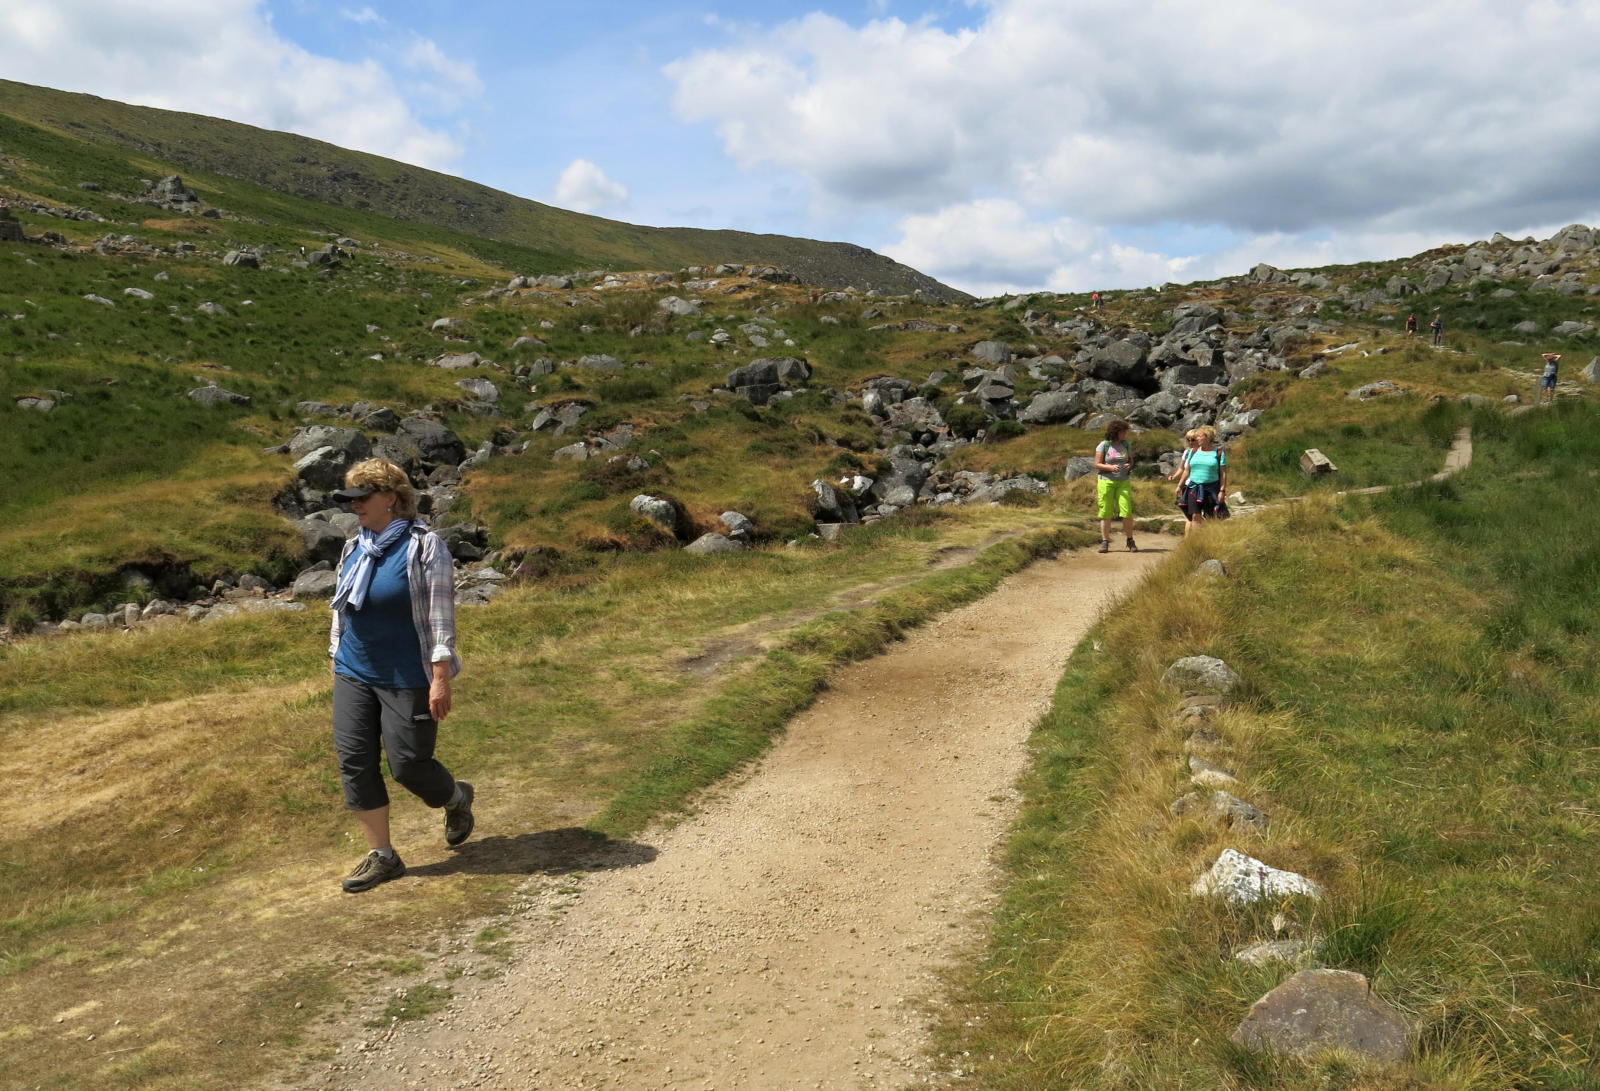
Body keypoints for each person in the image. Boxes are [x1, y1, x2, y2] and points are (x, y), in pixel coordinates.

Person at [327, 458, 474, 894]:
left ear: (391, 497)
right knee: (355, 761)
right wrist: (336, 653)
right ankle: (384, 856)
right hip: (354, 670)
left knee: (409, 764)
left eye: (362, 498)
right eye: (349, 499)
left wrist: (440, 676)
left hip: (406, 674)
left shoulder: (425, 547)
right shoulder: (354, 546)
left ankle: (455, 797)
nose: (355, 507)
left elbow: (440, 617)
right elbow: (343, 607)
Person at [1092, 419, 1137, 553]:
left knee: (1126, 510)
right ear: (1116, 432)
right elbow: (1097, 464)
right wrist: (1110, 467)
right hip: (1106, 481)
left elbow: (1131, 460)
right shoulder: (1104, 445)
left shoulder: (1126, 444)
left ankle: (1130, 541)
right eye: (1123, 432)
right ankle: (1105, 542)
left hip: (1123, 481)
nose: (1125, 434)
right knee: (1105, 511)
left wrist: (1130, 464)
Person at [1178, 425, 1228, 524]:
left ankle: (1208, 538)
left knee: (1211, 518)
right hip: (1193, 488)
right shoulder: (1193, 452)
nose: (1196, 438)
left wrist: (1222, 491)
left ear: (1208, 437)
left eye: (1199, 436)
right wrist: (1179, 486)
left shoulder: (1219, 453)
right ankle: (1195, 539)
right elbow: (1187, 470)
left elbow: (1223, 474)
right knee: (1195, 516)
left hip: (1211, 489)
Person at [1168, 430, 1200, 535]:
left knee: (1195, 516)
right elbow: (1182, 468)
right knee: (1189, 515)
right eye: (1188, 440)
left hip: (1200, 486)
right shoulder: (1187, 452)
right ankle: (1187, 541)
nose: (1190, 442)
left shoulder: (1203, 453)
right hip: (1187, 485)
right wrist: (1174, 476)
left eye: (1193, 439)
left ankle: (1197, 539)